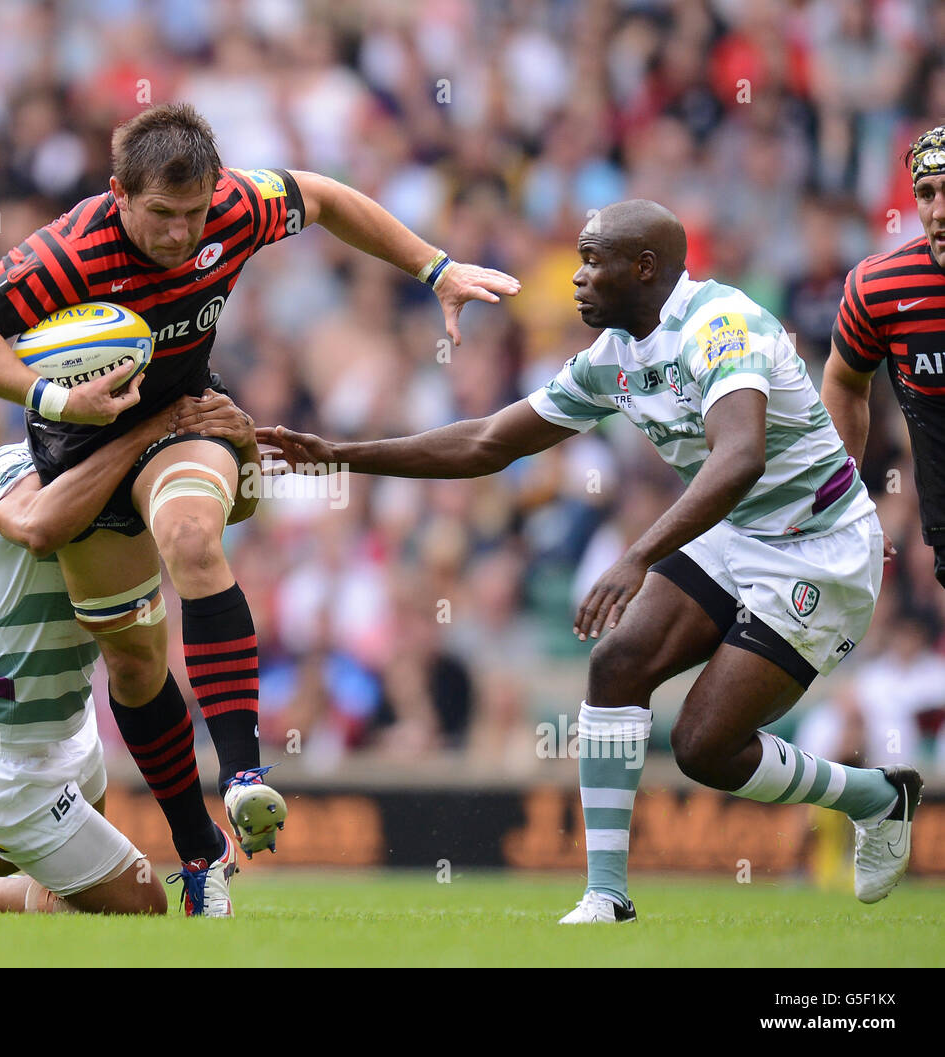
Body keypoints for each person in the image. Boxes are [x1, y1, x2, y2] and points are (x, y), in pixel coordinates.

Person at [258, 199, 923, 922]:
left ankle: (876, 796)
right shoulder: (614, 356)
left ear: (644, 268)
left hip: (817, 547)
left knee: (704, 746)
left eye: (591, 260)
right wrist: (342, 456)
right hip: (737, 530)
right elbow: (489, 441)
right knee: (617, 662)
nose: (574, 278)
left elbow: (739, 456)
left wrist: (635, 556)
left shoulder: (720, 327)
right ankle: (607, 894)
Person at [0, 102, 521, 860]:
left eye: (193, 213)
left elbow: (327, 197)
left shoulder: (237, 205)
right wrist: (55, 397)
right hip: (80, 446)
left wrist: (436, 267)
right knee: (136, 664)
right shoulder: (69, 253)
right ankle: (200, 853)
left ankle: (242, 773)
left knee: (192, 537)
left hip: (186, 420)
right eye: (162, 215)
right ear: (119, 194)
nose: (180, 234)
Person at [0, 385, 260, 918]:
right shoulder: (9, 466)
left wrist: (240, 444)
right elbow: (38, 528)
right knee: (135, 904)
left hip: (67, 728)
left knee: (23, 865)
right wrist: (145, 433)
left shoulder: (128, 475)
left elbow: (230, 511)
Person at [823, 124, 945, 586]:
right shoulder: (881, 289)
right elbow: (844, 384)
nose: (939, 212)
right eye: (927, 193)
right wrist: (845, 502)